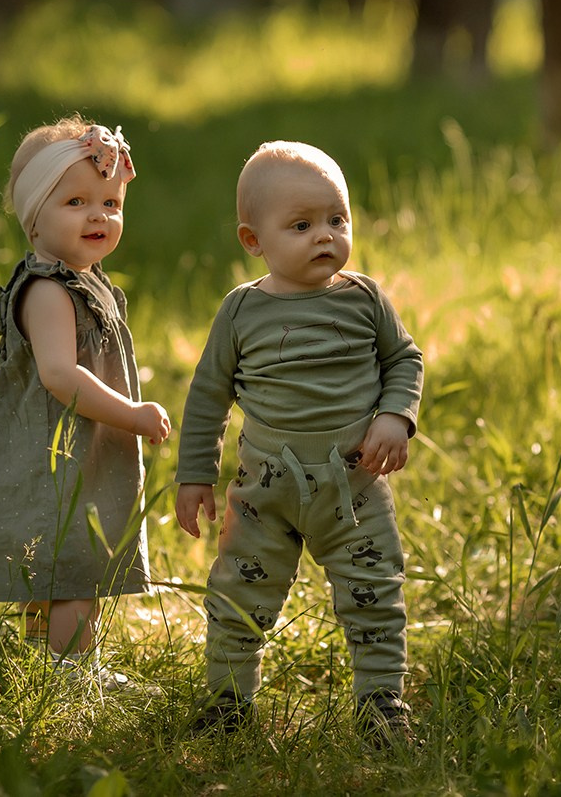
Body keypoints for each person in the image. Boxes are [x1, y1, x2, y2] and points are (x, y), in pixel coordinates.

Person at [175, 140, 423, 746]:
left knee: (374, 593)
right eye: (302, 225)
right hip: (267, 492)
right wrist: (195, 475)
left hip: (353, 487)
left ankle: (381, 702)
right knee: (239, 591)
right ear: (253, 240)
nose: (325, 236)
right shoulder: (241, 312)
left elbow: (403, 359)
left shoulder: (364, 298)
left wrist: (395, 416)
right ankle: (229, 702)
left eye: (337, 219)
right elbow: (208, 395)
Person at [0, 116, 171, 691]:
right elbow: (60, 375)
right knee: (69, 565)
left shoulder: (81, 280)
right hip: (54, 452)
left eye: (111, 203)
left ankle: (46, 664)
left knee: (60, 564)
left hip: (75, 446)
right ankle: (71, 676)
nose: (98, 216)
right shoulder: (47, 291)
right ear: (35, 217)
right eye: (76, 202)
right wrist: (131, 414)